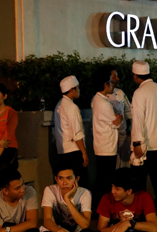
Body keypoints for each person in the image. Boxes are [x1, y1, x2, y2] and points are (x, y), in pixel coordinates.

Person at [130, 60, 157, 216]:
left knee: (139, 181)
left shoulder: (140, 93)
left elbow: (138, 119)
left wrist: (137, 143)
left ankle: (141, 213)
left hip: (145, 145)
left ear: (135, 76)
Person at [91, 67, 123, 207]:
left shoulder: (99, 100)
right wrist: (120, 117)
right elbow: (116, 123)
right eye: (110, 82)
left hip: (103, 146)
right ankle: (102, 208)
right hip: (106, 147)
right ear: (105, 84)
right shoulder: (103, 103)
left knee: (102, 179)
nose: (112, 85)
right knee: (105, 181)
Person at [52, 75, 88, 185]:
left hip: (62, 151)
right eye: (77, 88)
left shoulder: (59, 105)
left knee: (67, 184)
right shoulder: (72, 107)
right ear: (72, 89)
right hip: (74, 151)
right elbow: (77, 133)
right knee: (80, 183)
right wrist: (84, 152)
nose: (79, 90)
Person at [106, 68, 132, 169]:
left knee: (124, 162)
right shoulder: (100, 97)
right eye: (114, 77)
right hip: (109, 136)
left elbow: (128, 110)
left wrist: (129, 127)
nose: (117, 78)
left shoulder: (120, 93)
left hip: (123, 134)